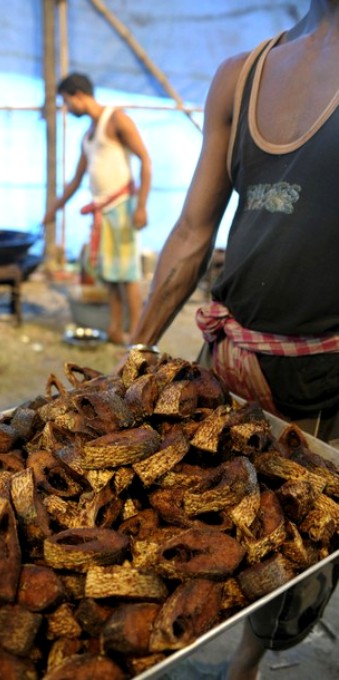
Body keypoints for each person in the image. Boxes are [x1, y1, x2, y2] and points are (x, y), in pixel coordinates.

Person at [123, 1, 339, 679]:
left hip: (325, 377)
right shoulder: (238, 76)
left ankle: (243, 665)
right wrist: (133, 356)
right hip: (226, 361)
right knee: (185, 522)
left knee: (294, 552)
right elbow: (192, 232)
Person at [42, 73, 152, 345]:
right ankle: (115, 330)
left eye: (66, 101)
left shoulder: (116, 120)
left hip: (123, 208)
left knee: (128, 276)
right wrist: (55, 208)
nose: (67, 107)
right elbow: (77, 179)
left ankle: (138, 338)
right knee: (111, 276)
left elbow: (146, 161)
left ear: (79, 95)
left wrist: (141, 207)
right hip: (103, 213)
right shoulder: (89, 136)